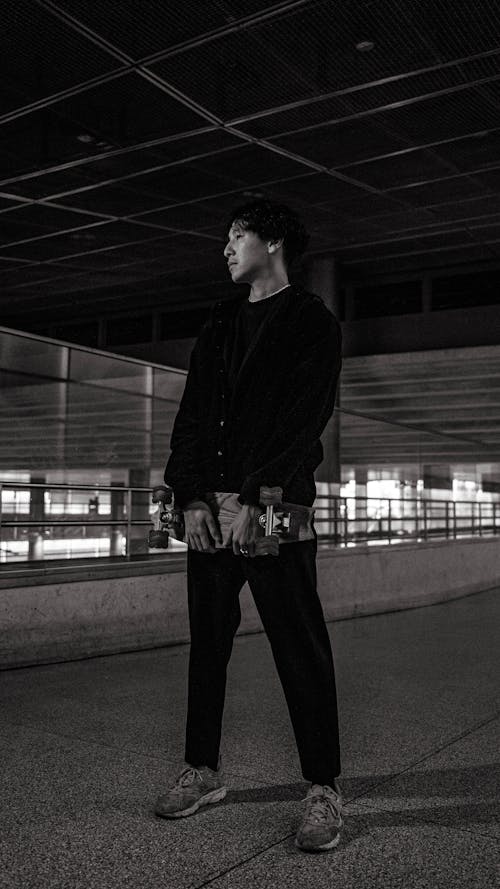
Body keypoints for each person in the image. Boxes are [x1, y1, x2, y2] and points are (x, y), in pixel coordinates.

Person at [155, 199, 343, 852]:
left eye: (238, 237)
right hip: (212, 509)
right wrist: (193, 497)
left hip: (271, 508)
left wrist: (254, 503)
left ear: (275, 243)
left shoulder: (311, 323)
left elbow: (302, 421)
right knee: (207, 641)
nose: (227, 248)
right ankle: (202, 769)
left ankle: (323, 787)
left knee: (299, 644)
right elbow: (192, 415)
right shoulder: (219, 323)